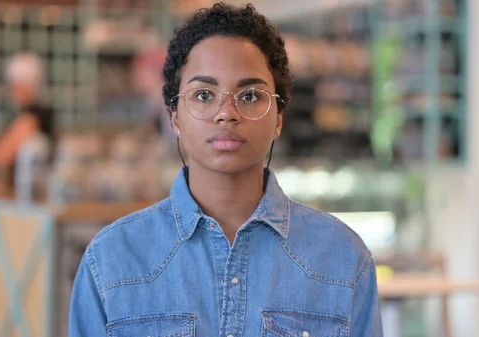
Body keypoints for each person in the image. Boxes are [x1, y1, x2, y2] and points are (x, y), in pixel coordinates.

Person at [69, 3, 383, 336]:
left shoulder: (342, 259)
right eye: (204, 94)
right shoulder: (112, 260)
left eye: (249, 96)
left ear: (278, 118)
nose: (226, 113)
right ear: (175, 115)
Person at [0, 52, 54, 174]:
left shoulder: (33, 117)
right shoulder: (26, 114)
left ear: (26, 85)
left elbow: (5, 153)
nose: (10, 91)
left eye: (13, 85)